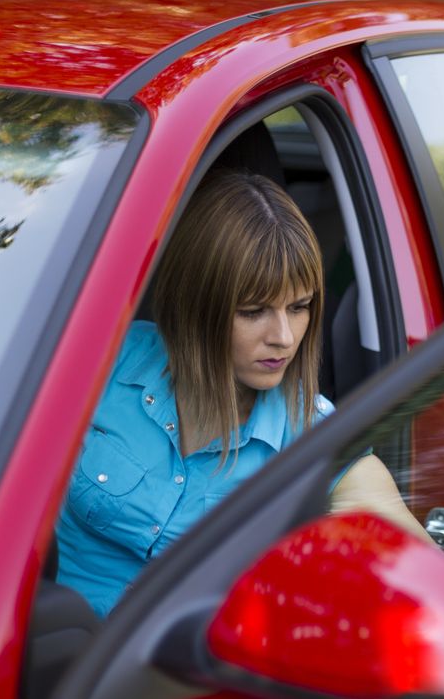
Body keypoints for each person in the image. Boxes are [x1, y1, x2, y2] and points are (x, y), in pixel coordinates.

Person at [56, 171, 425, 617]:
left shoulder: (316, 440)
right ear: (195, 305)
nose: (285, 337)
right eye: (254, 312)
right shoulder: (104, 361)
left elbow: (422, 575)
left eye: (299, 307)